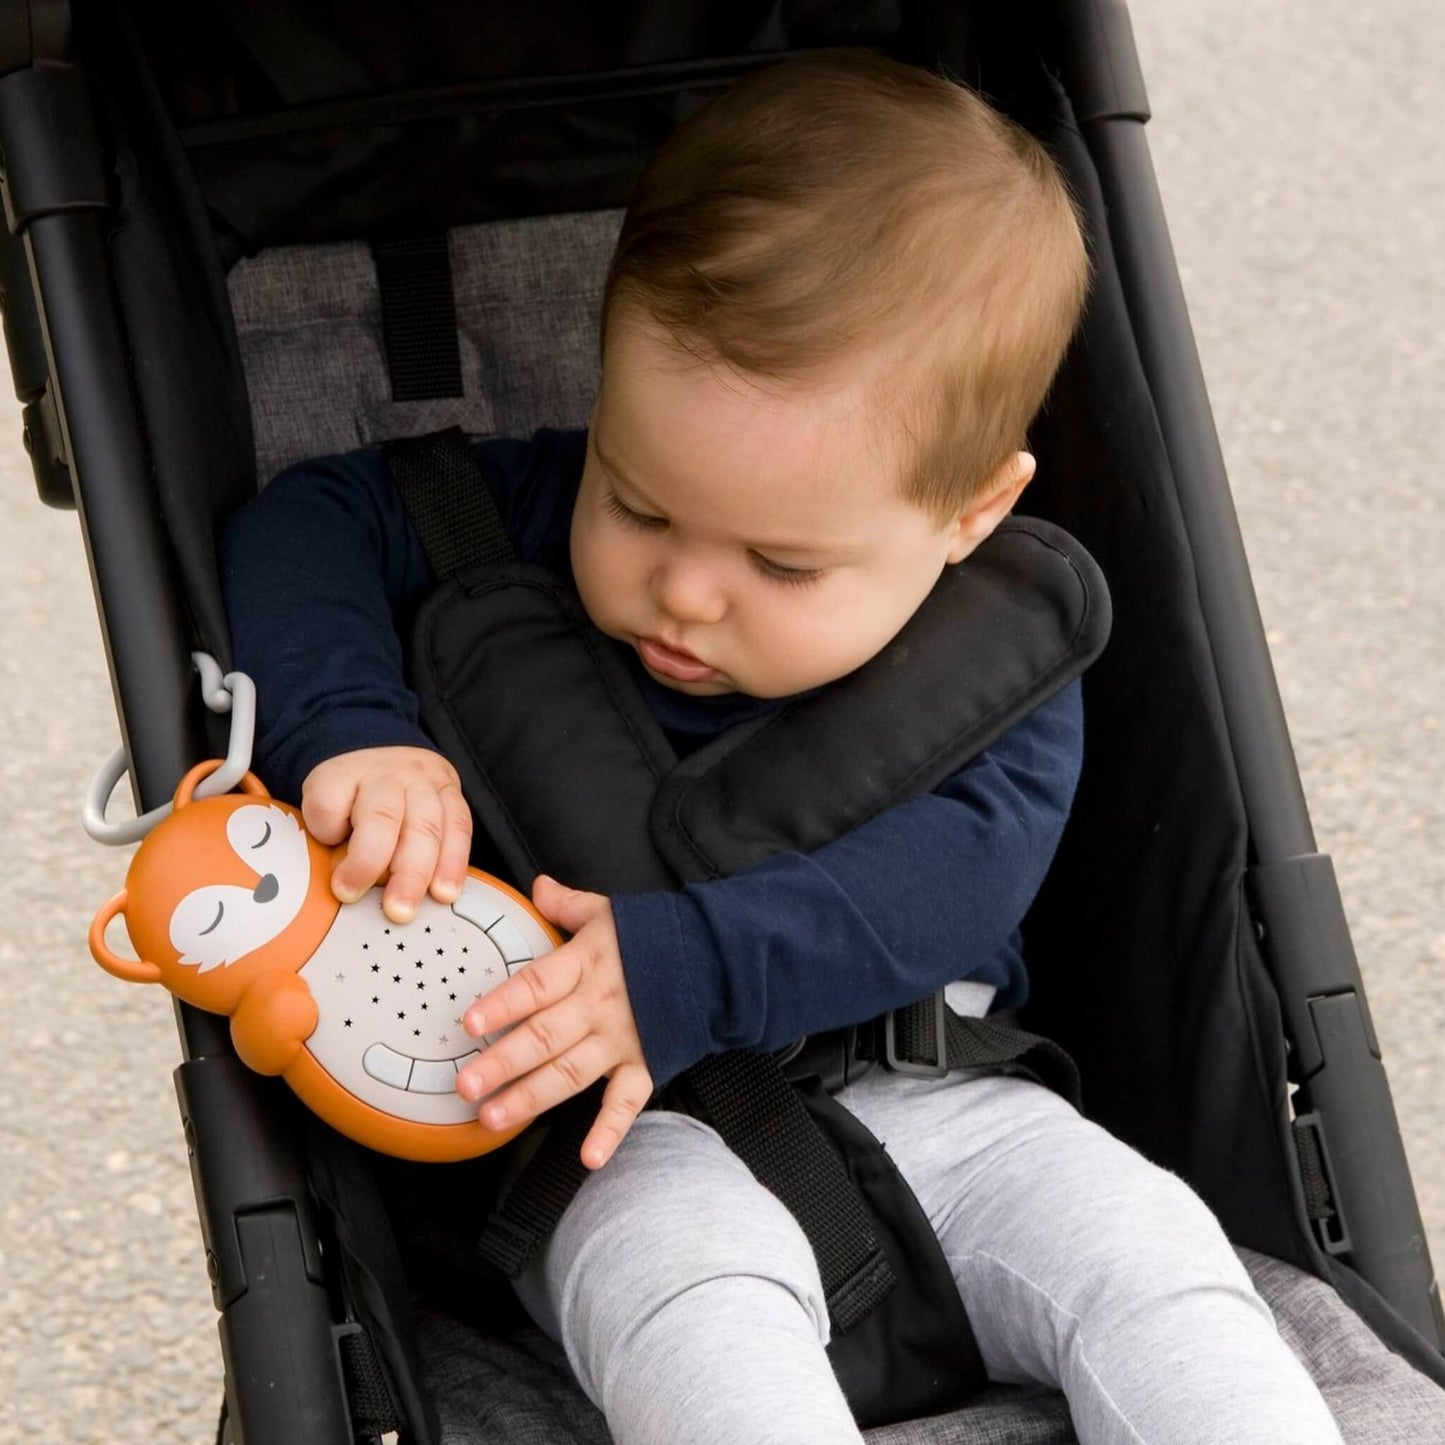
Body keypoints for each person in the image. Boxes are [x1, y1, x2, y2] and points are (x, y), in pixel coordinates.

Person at [220, 49, 1343, 1445]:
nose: (686, 591)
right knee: (693, 1307)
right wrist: (358, 735)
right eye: (636, 505)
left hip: (940, 1095)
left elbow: (946, 888)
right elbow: (302, 526)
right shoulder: (494, 522)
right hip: (618, 1140)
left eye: (781, 563)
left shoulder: (998, 664)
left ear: (968, 514)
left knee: (1150, 1253)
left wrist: (685, 966)